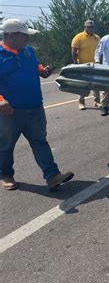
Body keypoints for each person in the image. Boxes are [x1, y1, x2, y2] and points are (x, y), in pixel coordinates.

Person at [0, 19, 74, 190]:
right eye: (25, 36)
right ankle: (5, 175)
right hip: (10, 111)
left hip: (35, 107)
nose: (28, 39)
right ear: (11, 36)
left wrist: (42, 70)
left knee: (40, 141)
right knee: (5, 145)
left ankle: (52, 176)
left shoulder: (28, 51)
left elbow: (36, 65)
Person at [71, 20, 101, 110]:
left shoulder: (97, 38)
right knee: (82, 84)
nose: (91, 28)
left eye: (92, 27)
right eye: (89, 27)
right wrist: (75, 63)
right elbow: (73, 50)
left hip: (95, 64)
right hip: (82, 64)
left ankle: (97, 102)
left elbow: (100, 51)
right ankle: (81, 102)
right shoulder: (79, 37)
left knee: (96, 84)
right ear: (85, 27)